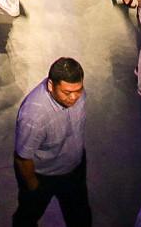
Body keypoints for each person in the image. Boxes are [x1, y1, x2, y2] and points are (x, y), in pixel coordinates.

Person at [12, 57, 91, 227]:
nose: (74, 97)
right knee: (27, 217)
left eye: (78, 90)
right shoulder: (33, 115)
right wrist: (34, 186)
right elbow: (22, 157)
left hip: (74, 170)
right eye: (67, 92)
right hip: (44, 176)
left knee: (80, 218)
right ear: (50, 85)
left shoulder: (77, 93)